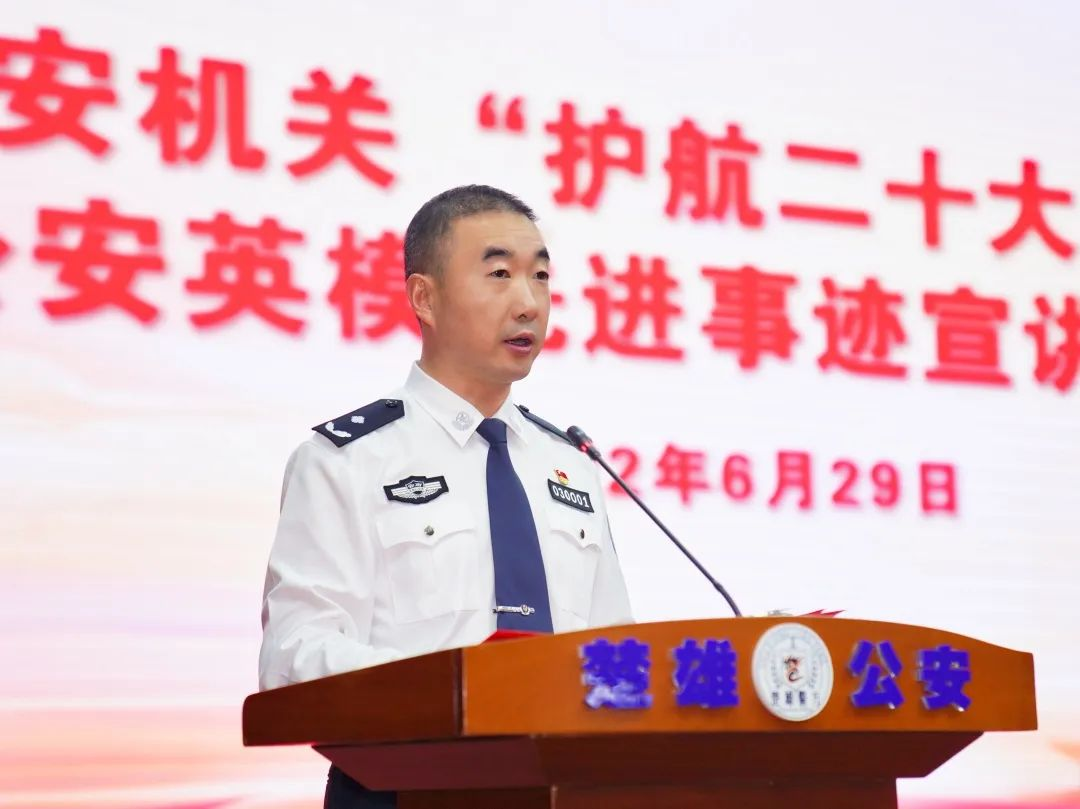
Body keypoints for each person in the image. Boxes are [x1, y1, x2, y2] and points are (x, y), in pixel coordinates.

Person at [257, 185, 633, 808]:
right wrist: (453, 688)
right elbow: (293, 655)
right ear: (424, 298)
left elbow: (615, 651)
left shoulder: (570, 466)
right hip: (400, 790)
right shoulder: (346, 461)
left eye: (541, 277)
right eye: (500, 275)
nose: (528, 302)